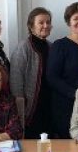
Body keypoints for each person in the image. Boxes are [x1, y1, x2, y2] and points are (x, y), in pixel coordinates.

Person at [47, 2, 78, 138]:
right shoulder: (59, 46)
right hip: (64, 105)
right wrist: (75, 94)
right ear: (69, 22)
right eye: (75, 18)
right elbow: (52, 77)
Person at [10, 7, 53, 139]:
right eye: (41, 22)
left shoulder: (51, 46)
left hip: (48, 105)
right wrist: (21, 110)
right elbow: (16, 81)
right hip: (31, 108)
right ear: (31, 26)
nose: (45, 26)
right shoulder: (23, 48)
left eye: (48, 22)